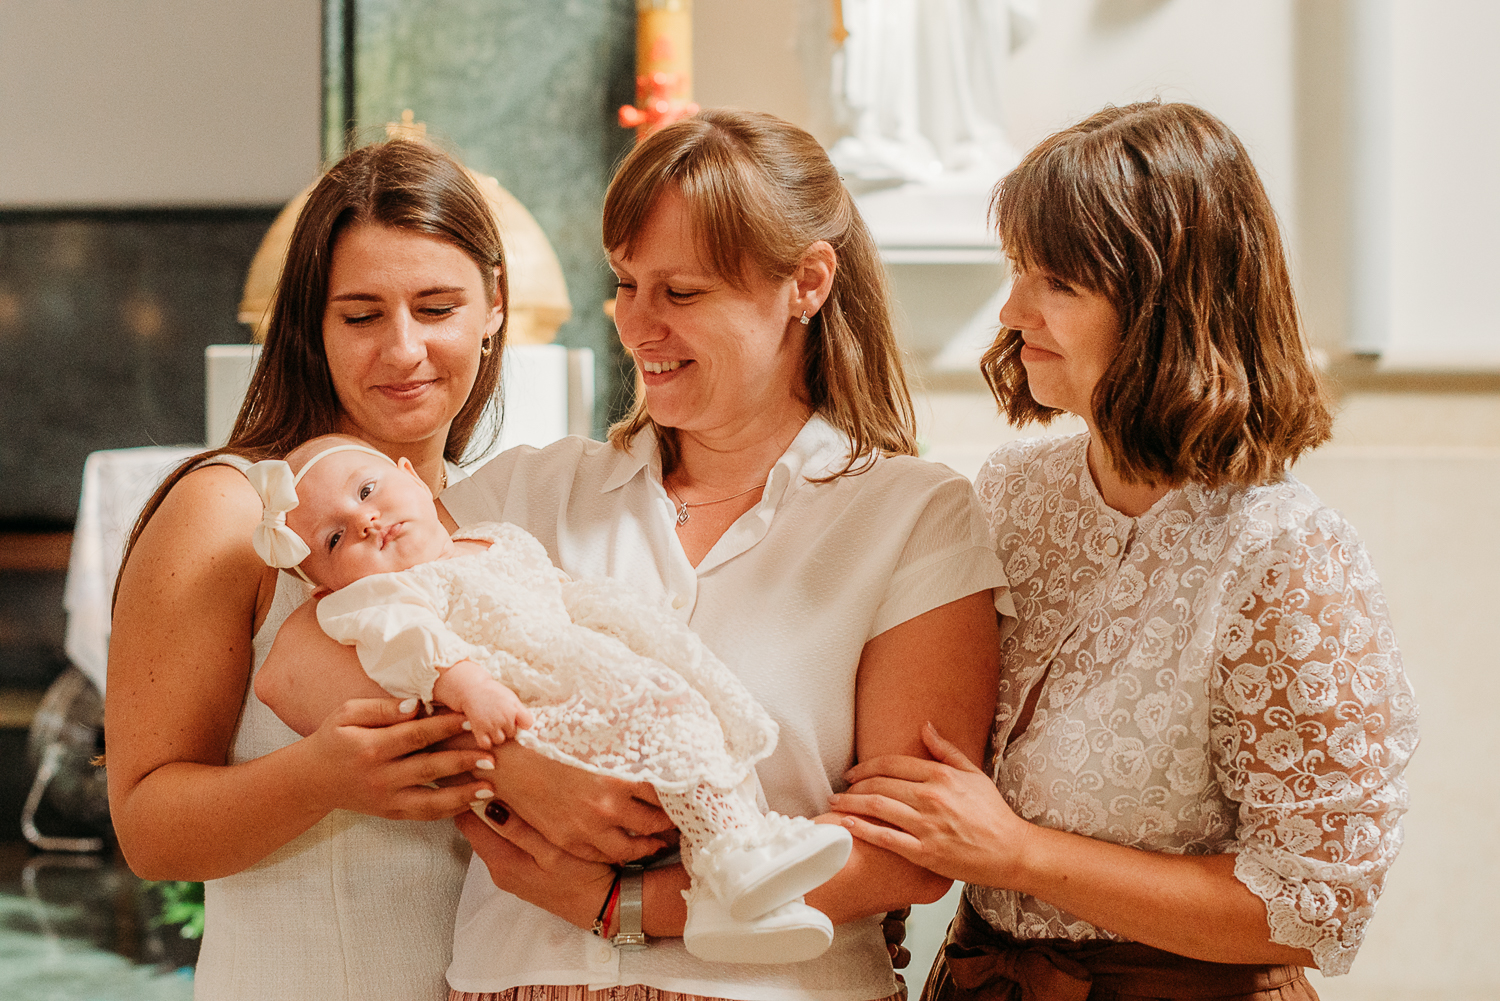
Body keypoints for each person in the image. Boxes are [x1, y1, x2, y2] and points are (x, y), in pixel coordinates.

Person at [256, 108, 1012, 1001]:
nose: (639, 325)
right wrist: (515, 768)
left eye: (681, 293)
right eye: (626, 284)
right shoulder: (529, 493)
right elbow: (299, 659)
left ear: (807, 282)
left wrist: (625, 904)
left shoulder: (914, 515)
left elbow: (908, 849)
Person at [831, 101, 1420, 1001]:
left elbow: (1311, 910)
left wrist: (1019, 853)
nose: (1012, 310)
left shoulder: (1285, 558)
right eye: (1018, 270)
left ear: (1166, 308)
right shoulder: (1016, 491)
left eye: (1057, 283)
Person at [104, 138, 667, 1001]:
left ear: (493, 305)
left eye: (436, 307)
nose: (403, 350)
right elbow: (147, 826)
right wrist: (321, 776)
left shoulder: (495, 525)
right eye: (361, 315)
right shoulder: (234, 509)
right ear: (313, 325)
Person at [249, 433, 855, 963]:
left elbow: (552, 591)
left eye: (367, 490)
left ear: (410, 477)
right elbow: (412, 648)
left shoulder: (489, 536)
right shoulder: (388, 596)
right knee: (666, 720)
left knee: (696, 720)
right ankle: (731, 856)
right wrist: (471, 689)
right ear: (326, 588)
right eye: (334, 539)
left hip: (574, 660)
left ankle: (731, 871)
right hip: (531, 698)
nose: (366, 522)